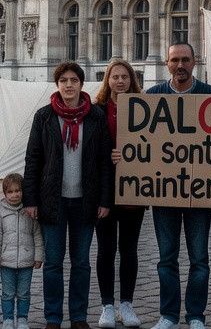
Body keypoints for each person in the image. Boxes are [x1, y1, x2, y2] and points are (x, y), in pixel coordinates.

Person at [24, 61, 114, 329]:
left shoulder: (96, 117)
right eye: (63, 80)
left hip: (85, 200)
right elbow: (33, 159)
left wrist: (105, 200)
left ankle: (78, 316)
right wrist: (30, 199)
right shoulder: (44, 116)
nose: (69, 85)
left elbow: (104, 163)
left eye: (73, 80)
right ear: (57, 85)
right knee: (53, 263)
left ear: (81, 84)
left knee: (81, 262)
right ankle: (53, 316)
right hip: (53, 200)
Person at [144, 42, 211, 329]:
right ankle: (168, 315)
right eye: (175, 60)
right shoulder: (152, 97)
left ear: (195, 62)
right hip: (164, 193)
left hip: (199, 194)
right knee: (167, 259)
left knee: (199, 259)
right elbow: (140, 147)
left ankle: (197, 316)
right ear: (167, 63)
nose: (180, 65)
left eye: (185, 60)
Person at [93, 59, 146, 329]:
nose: (121, 81)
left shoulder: (144, 109)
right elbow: (90, 150)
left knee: (129, 250)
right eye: (116, 77)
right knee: (105, 250)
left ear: (132, 80)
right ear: (108, 80)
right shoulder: (97, 111)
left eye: (125, 76)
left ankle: (126, 303)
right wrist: (109, 155)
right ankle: (106, 305)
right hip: (105, 191)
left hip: (134, 191)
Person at [0, 173, 45, 329]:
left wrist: (38, 256)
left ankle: (22, 319)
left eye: (18, 191)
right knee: (7, 293)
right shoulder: (0, 212)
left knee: (24, 293)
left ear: (23, 191)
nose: (14, 195)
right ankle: (7, 320)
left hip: (26, 261)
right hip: (6, 261)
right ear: (5, 193)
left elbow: (37, 234)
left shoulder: (29, 211)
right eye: (10, 192)